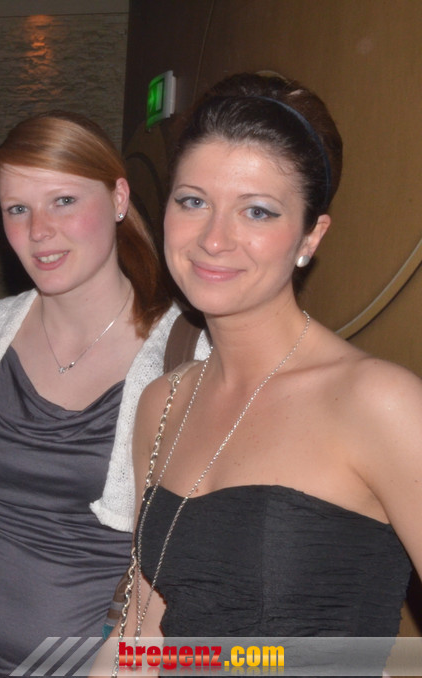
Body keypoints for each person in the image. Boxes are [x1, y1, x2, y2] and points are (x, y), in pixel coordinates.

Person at [114, 73, 422, 672]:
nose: (214, 239)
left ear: (311, 236)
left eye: (257, 211)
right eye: (193, 201)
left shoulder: (377, 402)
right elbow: (143, 629)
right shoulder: (163, 401)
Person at [0, 111, 207, 677]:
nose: (39, 230)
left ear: (118, 198)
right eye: (17, 209)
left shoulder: (188, 354)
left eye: (64, 201)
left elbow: (193, 563)